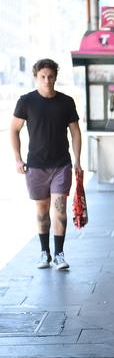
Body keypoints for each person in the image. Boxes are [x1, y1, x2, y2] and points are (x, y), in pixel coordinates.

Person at [10, 58, 82, 271]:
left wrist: (77, 161)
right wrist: (17, 158)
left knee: (59, 210)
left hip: (61, 165)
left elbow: (76, 132)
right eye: (42, 77)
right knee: (42, 211)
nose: (47, 80)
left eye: (50, 76)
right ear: (36, 78)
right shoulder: (26, 102)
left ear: (56, 77)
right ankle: (45, 252)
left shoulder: (66, 102)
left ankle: (59, 254)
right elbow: (14, 129)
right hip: (36, 166)